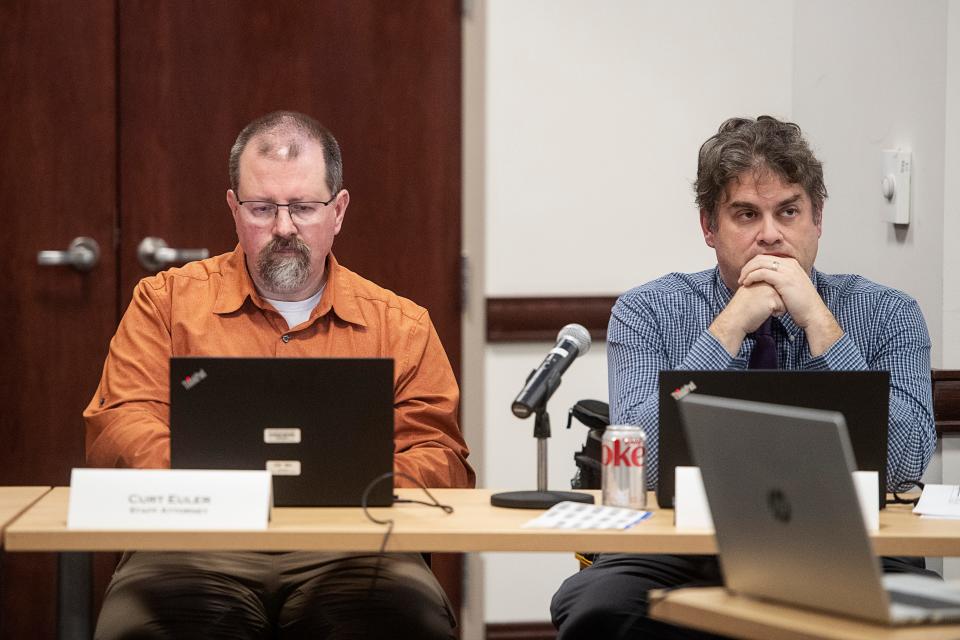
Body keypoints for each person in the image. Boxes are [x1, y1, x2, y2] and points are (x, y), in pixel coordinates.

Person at [84, 110, 474, 639]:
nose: (284, 227)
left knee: (404, 623)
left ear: (338, 211)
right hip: (193, 545)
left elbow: (439, 456)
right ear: (233, 209)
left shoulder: (400, 325)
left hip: (351, 549)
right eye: (263, 209)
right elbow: (120, 424)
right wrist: (213, 490)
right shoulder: (165, 303)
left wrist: (354, 489)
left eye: (304, 208)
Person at [550, 115, 937, 639]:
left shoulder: (889, 314)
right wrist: (730, 325)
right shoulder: (647, 312)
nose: (771, 236)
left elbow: (906, 463)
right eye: (746, 215)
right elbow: (642, 466)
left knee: (921, 614)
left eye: (789, 212)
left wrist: (820, 324)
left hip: (844, 547)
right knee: (598, 608)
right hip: (680, 547)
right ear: (709, 228)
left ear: (817, 219)